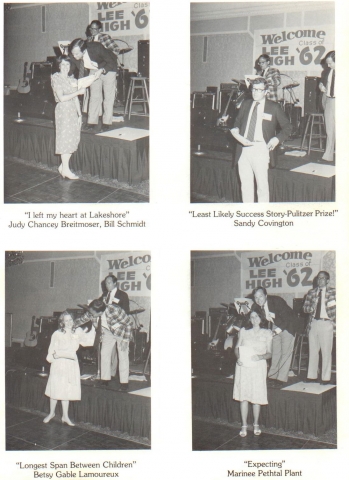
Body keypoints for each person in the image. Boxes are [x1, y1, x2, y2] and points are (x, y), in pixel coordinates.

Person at [230, 77, 292, 203]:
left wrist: (276, 139)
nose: (255, 92)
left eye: (259, 90)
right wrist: (235, 129)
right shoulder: (246, 104)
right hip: (243, 148)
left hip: (261, 149)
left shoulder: (274, 107)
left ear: (266, 92)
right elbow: (237, 121)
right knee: (245, 185)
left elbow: (288, 127)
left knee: (262, 187)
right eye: (254, 89)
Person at [43, 311, 96, 426]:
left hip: (71, 364)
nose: (68, 323)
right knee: (55, 388)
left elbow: (88, 342)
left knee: (66, 389)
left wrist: (94, 327)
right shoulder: (57, 334)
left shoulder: (77, 332)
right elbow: (52, 349)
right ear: (62, 322)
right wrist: (54, 358)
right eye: (66, 320)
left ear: (74, 321)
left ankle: (65, 416)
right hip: (59, 364)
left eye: (70, 320)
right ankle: (51, 413)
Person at [75, 298, 133, 391]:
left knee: (123, 356)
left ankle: (124, 383)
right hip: (108, 332)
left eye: (93, 313)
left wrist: (125, 340)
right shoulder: (93, 310)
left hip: (121, 332)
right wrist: (70, 326)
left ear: (100, 312)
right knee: (104, 354)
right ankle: (105, 380)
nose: (91, 314)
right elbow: (82, 320)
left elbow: (129, 323)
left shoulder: (115, 310)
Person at [233, 305, 272, 437]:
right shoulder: (244, 331)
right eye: (252, 316)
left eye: (257, 316)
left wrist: (260, 357)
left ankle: (256, 424)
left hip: (258, 367)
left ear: (261, 318)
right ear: (249, 319)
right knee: (243, 396)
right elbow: (237, 348)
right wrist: (238, 358)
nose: (254, 319)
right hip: (243, 366)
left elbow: (269, 353)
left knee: (256, 396)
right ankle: (244, 425)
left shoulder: (267, 333)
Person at [51, 56, 90, 180]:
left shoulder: (71, 79)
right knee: (65, 138)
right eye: (63, 65)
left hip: (72, 111)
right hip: (63, 110)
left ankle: (63, 166)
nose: (65, 67)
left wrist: (79, 115)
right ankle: (66, 170)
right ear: (58, 66)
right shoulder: (56, 78)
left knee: (72, 138)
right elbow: (62, 98)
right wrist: (78, 92)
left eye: (67, 65)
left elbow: (75, 99)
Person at [69, 38, 118, 133]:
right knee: (94, 96)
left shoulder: (96, 47)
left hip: (109, 67)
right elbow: (70, 69)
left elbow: (111, 61)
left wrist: (102, 70)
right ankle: (91, 122)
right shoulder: (73, 55)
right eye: (73, 53)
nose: (74, 56)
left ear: (83, 51)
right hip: (94, 69)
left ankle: (106, 123)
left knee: (108, 96)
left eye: (77, 54)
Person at [253, 287, 300, 383]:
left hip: (289, 325)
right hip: (276, 324)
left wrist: (275, 332)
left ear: (266, 295)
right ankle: (272, 375)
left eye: (261, 296)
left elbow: (287, 319)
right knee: (275, 351)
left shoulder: (277, 301)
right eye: (256, 297)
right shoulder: (256, 306)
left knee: (285, 352)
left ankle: (281, 378)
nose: (258, 300)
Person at [303, 271, 336, 385]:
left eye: (323, 278)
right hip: (314, 323)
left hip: (326, 323)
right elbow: (305, 308)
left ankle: (326, 378)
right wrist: (310, 308)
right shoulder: (311, 292)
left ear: (327, 280)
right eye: (318, 278)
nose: (320, 280)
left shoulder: (334, 292)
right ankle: (311, 376)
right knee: (313, 350)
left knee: (326, 352)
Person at [318, 51, 335, 162]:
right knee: (329, 129)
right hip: (330, 100)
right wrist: (320, 85)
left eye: (330, 63)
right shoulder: (326, 72)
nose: (328, 65)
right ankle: (328, 155)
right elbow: (322, 82)